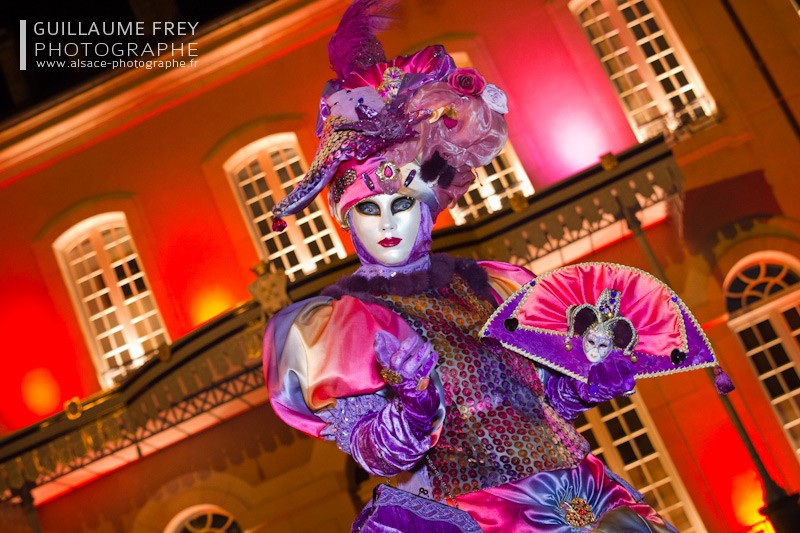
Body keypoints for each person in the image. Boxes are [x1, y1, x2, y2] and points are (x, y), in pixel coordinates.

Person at [263, 1, 677, 530]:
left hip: (574, 495)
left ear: (428, 208)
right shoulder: (344, 325)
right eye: (368, 208)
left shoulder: (495, 285)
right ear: (346, 219)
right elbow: (379, 457)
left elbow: (539, 404)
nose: (387, 221)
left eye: (402, 204)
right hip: (470, 513)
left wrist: (586, 384)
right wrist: (412, 408)